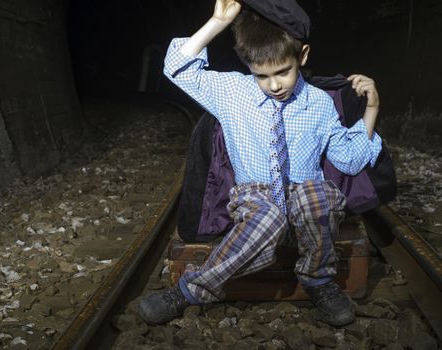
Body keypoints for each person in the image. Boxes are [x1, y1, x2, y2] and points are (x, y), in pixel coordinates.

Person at [137, 0, 382, 327]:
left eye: (283, 72)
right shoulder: (232, 92)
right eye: (262, 76)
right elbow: (177, 68)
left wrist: (372, 109)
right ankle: (190, 291)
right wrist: (217, 22)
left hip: (305, 212)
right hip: (256, 200)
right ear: (249, 68)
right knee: (267, 217)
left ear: (303, 56)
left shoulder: (321, 105)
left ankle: (318, 279)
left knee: (317, 196)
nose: (275, 85)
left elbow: (349, 160)